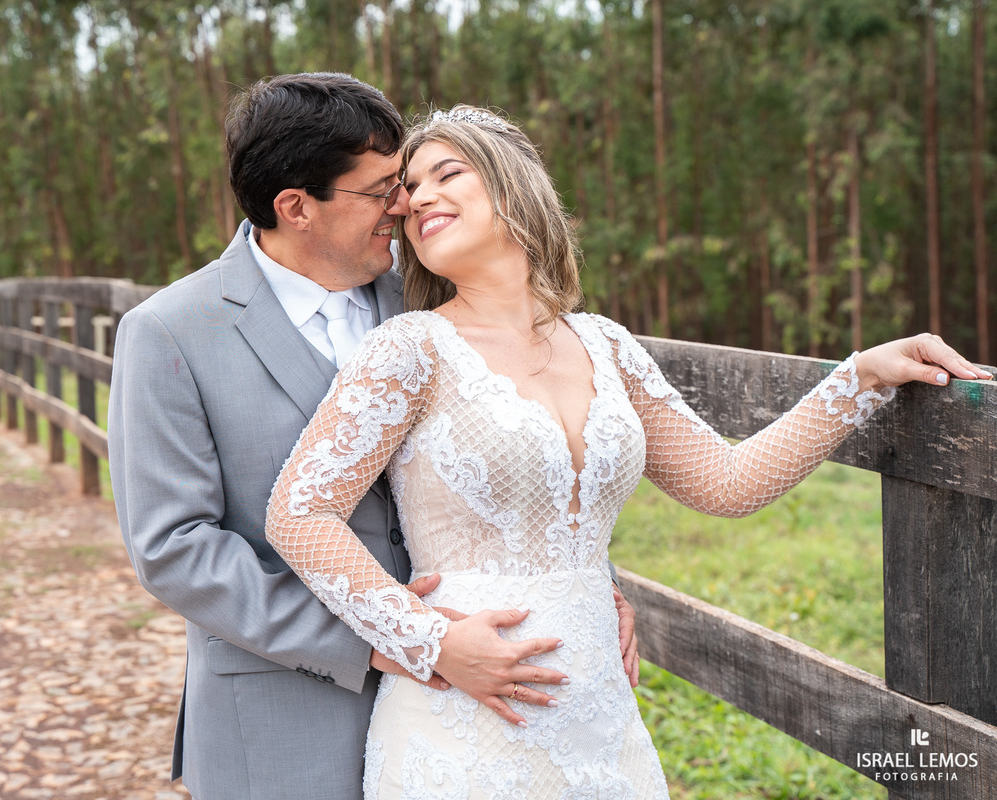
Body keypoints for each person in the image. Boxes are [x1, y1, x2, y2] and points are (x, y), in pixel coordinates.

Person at [264, 105, 993, 798]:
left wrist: (859, 377)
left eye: (445, 174)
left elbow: (725, 481)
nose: (417, 198)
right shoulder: (408, 349)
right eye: (408, 189)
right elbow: (300, 513)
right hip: (461, 720)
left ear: (513, 186)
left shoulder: (606, 343)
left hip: (601, 717)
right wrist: (426, 640)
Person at [107, 76, 638, 800]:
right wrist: (394, 639)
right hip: (282, 713)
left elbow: (526, 444)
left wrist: (585, 585)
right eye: (380, 188)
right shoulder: (171, 332)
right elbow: (174, 549)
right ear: (296, 207)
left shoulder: (422, 294)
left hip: (474, 716)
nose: (405, 204)